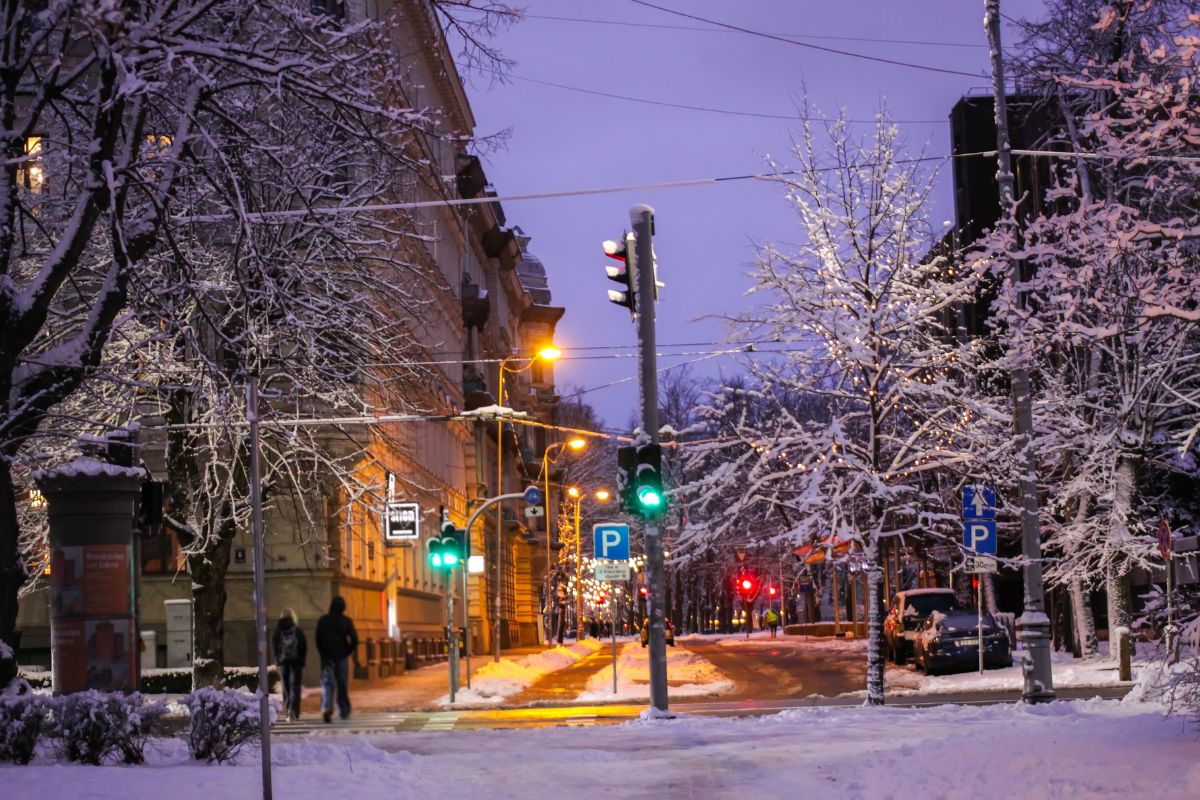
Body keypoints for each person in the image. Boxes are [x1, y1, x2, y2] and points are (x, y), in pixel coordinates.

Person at [315, 595, 359, 723]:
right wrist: (348, 651)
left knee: (327, 683)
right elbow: (354, 639)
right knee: (342, 683)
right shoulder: (346, 621)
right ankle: (344, 708)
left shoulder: (323, 620)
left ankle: (326, 708)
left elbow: (318, 638)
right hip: (341, 656)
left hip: (327, 656)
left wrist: (322, 652)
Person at [272, 608, 307, 721]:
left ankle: (288, 711)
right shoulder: (297, 630)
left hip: (283, 662)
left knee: (285, 687)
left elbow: (275, 645)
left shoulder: (278, 630)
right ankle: (294, 711)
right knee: (295, 686)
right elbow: (303, 645)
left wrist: (277, 659)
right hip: (296, 662)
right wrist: (302, 660)